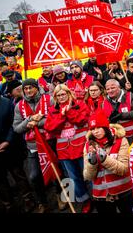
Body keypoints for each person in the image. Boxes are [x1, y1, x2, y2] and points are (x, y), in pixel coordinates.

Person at [44, 84, 92, 212]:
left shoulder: (80, 104)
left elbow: (82, 120)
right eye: (58, 95)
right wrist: (61, 115)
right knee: (74, 178)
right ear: (55, 97)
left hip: (82, 147)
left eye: (63, 94)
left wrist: (69, 111)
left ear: (69, 94)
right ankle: (85, 200)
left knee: (89, 175)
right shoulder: (53, 110)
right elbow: (49, 127)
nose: (61, 97)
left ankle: (96, 198)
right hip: (64, 151)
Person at [12, 78, 55, 213]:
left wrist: (38, 122)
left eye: (31, 87)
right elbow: (17, 128)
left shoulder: (49, 99)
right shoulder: (19, 106)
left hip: (51, 142)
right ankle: (42, 202)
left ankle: (65, 197)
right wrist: (29, 120)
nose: (28, 90)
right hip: (33, 146)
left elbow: (55, 118)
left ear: (37, 88)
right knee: (34, 176)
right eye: (25, 89)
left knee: (59, 171)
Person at [83, 111, 133, 213]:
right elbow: (87, 176)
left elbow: (124, 169)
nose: (95, 131)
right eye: (92, 129)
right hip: (101, 196)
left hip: (123, 193)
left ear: (105, 127)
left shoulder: (121, 140)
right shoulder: (88, 145)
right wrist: (92, 162)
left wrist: (104, 159)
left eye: (98, 127)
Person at [0, 88, 32, 213]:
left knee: (18, 175)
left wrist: (7, 142)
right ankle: (8, 205)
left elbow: (13, 124)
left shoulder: (5, 103)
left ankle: (28, 200)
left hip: (10, 148)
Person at [105, 79, 133, 143]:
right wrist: (109, 120)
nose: (110, 91)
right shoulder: (104, 102)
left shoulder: (130, 96)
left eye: (113, 88)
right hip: (116, 138)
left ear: (119, 87)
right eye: (108, 89)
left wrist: (122, 115)